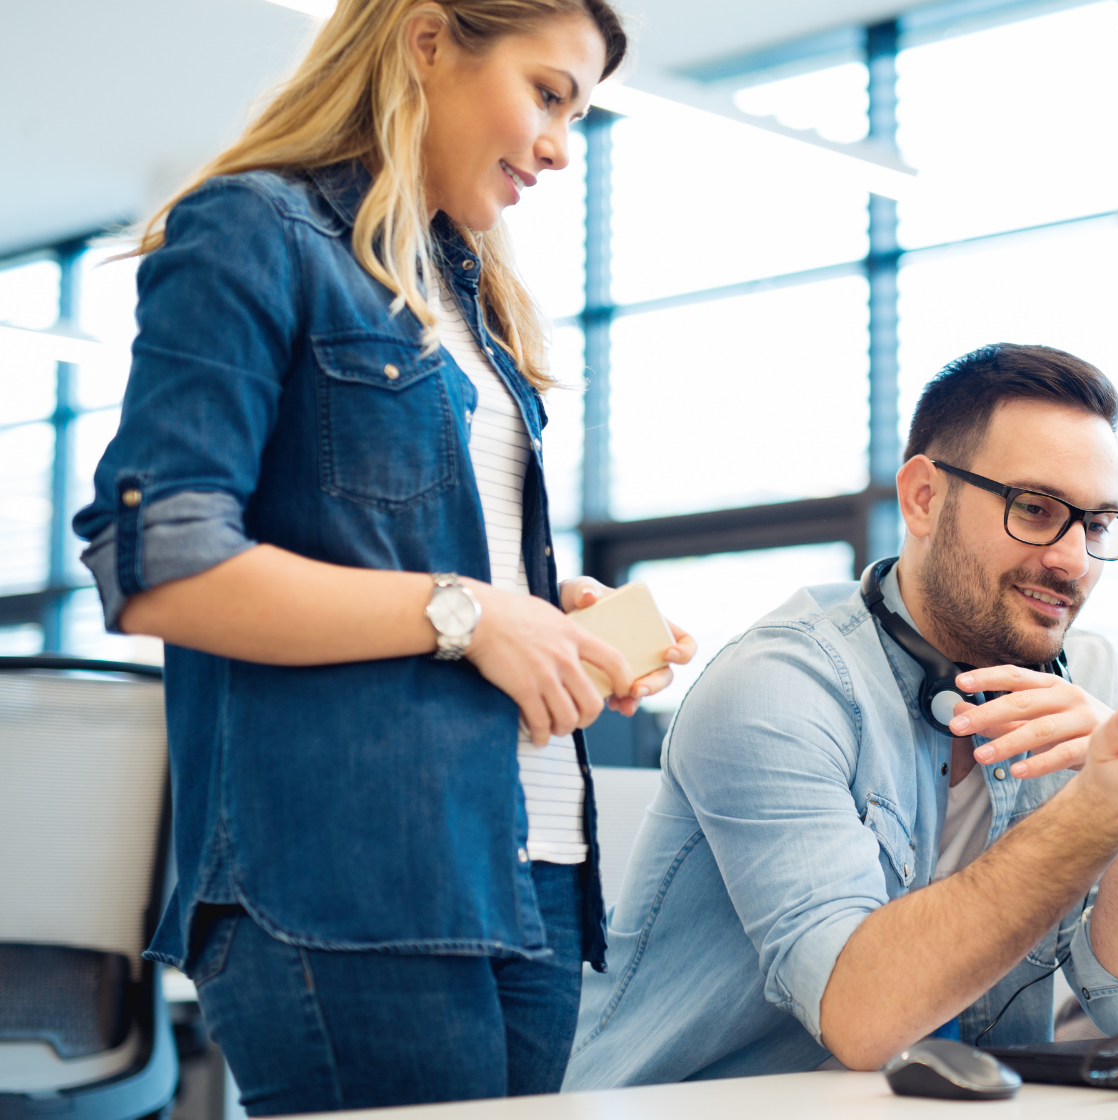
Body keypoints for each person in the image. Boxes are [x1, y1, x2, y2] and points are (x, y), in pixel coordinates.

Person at [70, 1, 695, 1113]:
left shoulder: (475, 301)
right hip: (352, 873)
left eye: (579, 113)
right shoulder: (252, 231)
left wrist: (546, 616)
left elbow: (409, 560)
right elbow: (159, 558)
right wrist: (468, 612)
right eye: (548, 93)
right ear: (427, 41)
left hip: (534, 868)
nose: (561, 143)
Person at [561, 343, 1118, 1088]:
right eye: (1036, 510)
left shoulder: (1089, 675)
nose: (1075, 561)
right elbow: (862, 1016)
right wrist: (1090, 820)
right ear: (922, 498)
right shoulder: (779, 686)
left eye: (1098, 526)